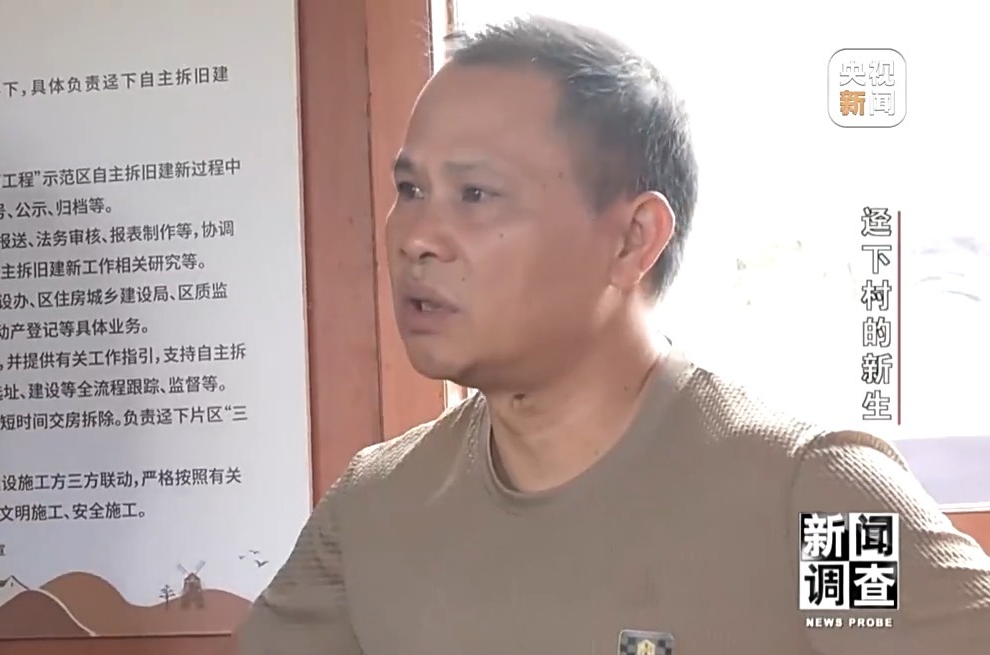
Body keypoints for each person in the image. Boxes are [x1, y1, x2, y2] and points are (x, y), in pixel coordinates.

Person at [237, 16, 990, 655]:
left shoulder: (814, 502)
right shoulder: (376, 507)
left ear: (633, 239)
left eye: (476, 193)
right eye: (410, 190)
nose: (417, 237)